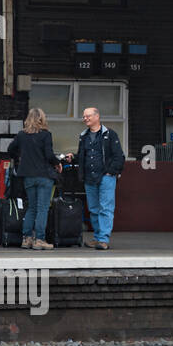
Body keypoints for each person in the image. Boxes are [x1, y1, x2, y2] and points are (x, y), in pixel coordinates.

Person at [64, 106, 124, 250]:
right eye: (84, 116)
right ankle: (98, 238)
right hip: (89, 178)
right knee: (94, 209)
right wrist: (73, 157)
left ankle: (103, 239)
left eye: (88, 116)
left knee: (105, 209)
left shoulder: (110, 135)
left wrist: (111, 172)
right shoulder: (83, 136)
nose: (85, 119)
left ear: (97, 116)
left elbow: (119, 157)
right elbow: (82, 156)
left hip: (106, 177)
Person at [7, 108, 63, 251]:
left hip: (28, 176)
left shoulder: (21, 135)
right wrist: (58, 163)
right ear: (41, 119)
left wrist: (20, 158)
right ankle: (40, 239)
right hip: (44, 176)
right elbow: (49, 155)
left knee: (31, 207)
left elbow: (10, 149)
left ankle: (26, 239)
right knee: (42, 208)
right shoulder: (46, 135)